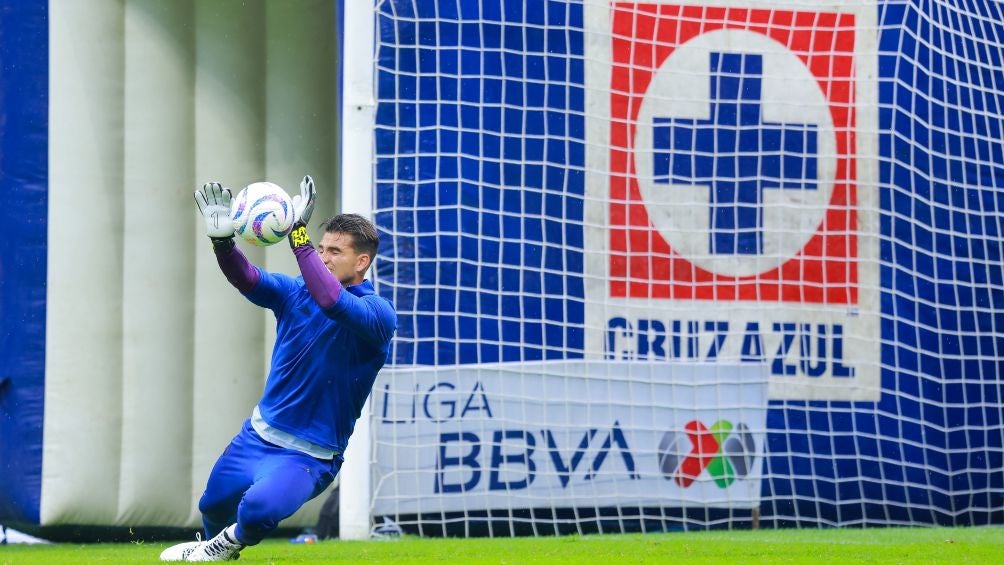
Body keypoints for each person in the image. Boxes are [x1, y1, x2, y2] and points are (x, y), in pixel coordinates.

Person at [160, 177, 397, 562]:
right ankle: (219, 551)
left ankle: (221, 547)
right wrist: (223, 245)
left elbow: (333, 302)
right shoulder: (294, 293)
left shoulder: (378, 315)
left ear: (362, 261)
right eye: (320, 249)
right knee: (212, 506)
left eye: (334, 251)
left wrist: (299, 238)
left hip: (309, 455)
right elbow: (247, 278)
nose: (322, 257)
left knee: (258, 509)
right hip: (257, 436)